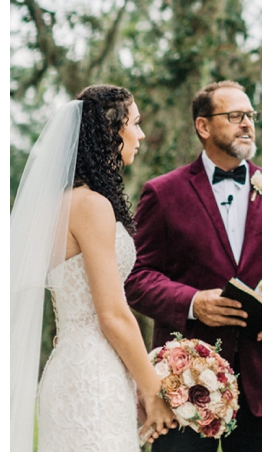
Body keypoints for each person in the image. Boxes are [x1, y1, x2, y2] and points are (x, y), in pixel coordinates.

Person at [126, 79, 262, 452]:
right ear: (203, 126)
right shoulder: (163, 193)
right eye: (235, 116)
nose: (247, 123)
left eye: (250, 115)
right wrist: (192, 301)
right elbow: (137, 278)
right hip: (183, 383)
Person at [11, 85, 178, 452]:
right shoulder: (92, 206)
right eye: (134, 123)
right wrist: (153, 391)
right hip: (93, 378)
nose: (141, 134)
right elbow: (113, 315)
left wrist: (134, 382)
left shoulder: (60, 205)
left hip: (73, 366)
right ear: (111, 132)